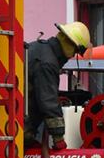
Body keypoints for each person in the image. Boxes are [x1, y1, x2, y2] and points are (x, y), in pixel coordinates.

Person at [23, 21, 92, 150]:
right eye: (75, 50)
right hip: (22, 127)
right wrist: (59, 137)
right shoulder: (48, 62)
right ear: (67, 41)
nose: (72, 55)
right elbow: (48, 101)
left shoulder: (40, 48)